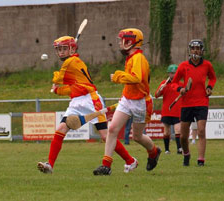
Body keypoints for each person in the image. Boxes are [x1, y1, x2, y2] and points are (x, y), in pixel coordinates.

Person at [37, 36, 136, 174]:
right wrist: (58, 90)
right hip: (76, 102)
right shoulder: (72, 62)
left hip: (91, 100)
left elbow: (58, 78)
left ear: (72, 49)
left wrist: (55, 83)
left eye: (64, 48)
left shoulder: (71, 62)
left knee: (105, 136)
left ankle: (130, 161)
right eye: (59, 49)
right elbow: (73, 88)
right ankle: (50, 165)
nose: (61, 52)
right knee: (61, 129)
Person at [93, 28, 161, 175]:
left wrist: (118, 76)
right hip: (127, 100)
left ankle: (154, 152)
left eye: (122, 40)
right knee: (112, 129)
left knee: (137, 136)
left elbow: (136, 78)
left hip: (141, 102)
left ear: (130, 41)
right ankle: (106, 166)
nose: (119, 43)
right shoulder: (130, 57)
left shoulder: (138, 58)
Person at [171, 39, 216, 166]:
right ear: (190, 50)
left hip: (202, 102)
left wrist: (209, 88)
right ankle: (186, 154)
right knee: (184, 137)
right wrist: (181, 89)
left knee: (201, 130)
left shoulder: (207, 65)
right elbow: (174, 83)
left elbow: (212, 78)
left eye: (198, 48)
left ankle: (201, 159)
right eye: (193, 48)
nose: (195, 51)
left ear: (202, 50)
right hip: (187, 103)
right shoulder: (183, 66)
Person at [155, 64, 183, 154]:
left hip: (177, 111)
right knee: (166, 132)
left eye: (175, 73)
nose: (173, 75)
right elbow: (156, 95)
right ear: (168, 74)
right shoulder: (164, 83)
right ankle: (167, 149)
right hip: (167, 111)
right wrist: (160, 89)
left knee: (178, 130)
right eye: (171, 73)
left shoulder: (181, 84)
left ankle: (179, 148)